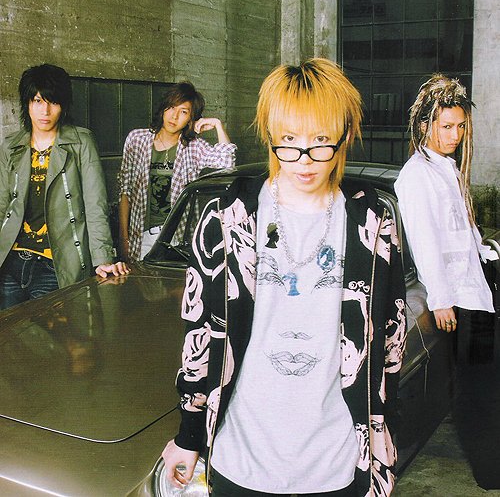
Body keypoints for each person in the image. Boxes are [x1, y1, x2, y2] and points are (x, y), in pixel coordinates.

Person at [162, 58, 407, 496]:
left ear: (344, 135)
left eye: (321, 140)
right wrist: (190, 433)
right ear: (270, 135)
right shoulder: (227, 218)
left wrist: (378, 428)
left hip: (338, 457)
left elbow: (391, 332)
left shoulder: (371, 223)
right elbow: (199, 331)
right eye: (289, 140)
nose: (304, 160)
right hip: (243, 453)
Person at [0, 63, 128, 311]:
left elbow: (95, 204)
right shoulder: (11, 146)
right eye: (38, 101)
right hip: (10, 262)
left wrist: (102, 258)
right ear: (27, 103)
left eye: (53, 102)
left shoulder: (81, 142)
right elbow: (2, 205)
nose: (45, 111)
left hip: (54, 264)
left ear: (64, 105)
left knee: (48, 332)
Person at [394, 74, 498, 333]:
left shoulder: (448, 168)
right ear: (424, 126)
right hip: (454, 298)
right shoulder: (417, 174)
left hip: (473, 290)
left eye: (461, 126)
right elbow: (424, 240)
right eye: (447, 126)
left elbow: (462, 228)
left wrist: (485, 252)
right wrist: (440, 300)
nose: (456, 135)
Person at [118, 81, 237, 262]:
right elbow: (125, 191)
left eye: (183, 112)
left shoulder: (193, 147)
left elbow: (227, 162)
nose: (174, 116)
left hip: (178, 238)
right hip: (141, 235)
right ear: (163, 108)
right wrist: (123, 238)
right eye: (172, 107)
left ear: (191, 119)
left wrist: (217, 124)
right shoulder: (137, 139)